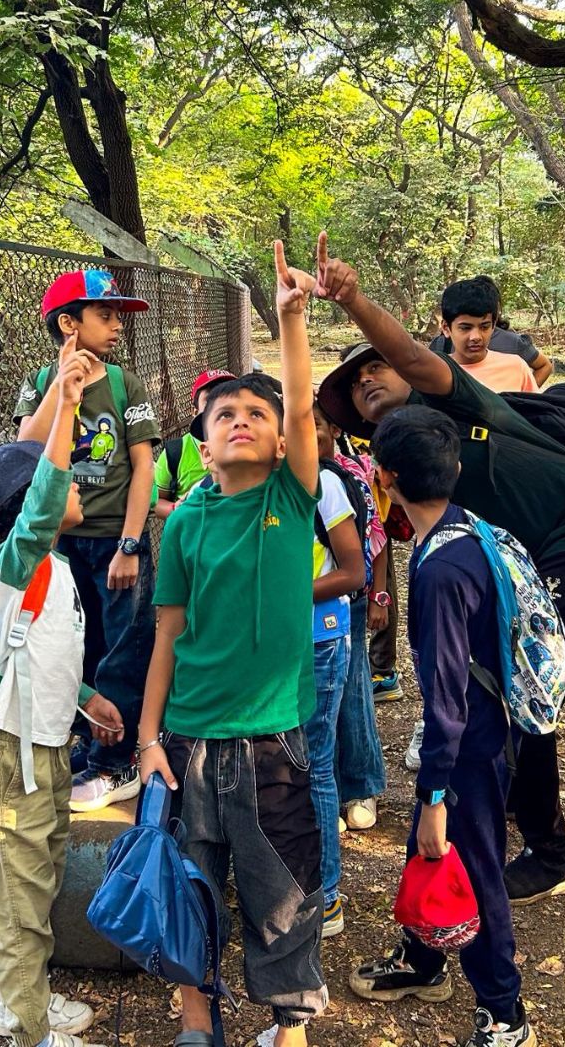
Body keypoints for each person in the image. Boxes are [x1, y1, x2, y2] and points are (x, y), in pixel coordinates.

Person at [313, 234, 565, 905]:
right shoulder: (401, 465)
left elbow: (408, 355)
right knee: (502, 672)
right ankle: (514, 797)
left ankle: (553, 855)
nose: (368, 382)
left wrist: (353, 299)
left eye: (375, 371)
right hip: (535, 552)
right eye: (357, 391)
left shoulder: (453, 400)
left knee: (528, 683)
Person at [137, 241, 327, 1047]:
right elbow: (167, 633)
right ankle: (195, 1019)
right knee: (192, 887)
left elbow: (303, 409)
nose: (241, 420)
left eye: (257, 414)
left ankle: (291, 1026)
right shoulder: (184, 523)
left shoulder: (293, 495)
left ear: (279, 442)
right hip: (189, 739)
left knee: (284, 889)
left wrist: (291, 320)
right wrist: (149, 738)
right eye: (224, 416)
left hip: (272, 742)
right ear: (203, 448)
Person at [350, 406, 536, 1047]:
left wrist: (433, 794)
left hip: (470, 752)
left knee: (475, 871)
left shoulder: (439, 572)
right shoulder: (464, 529)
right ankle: (422, 960)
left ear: (385, 477)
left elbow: (446, 700)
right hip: (486, 730)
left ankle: (504, 1012)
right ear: (454, 469)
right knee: (426, 851)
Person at [0, 334, 125, 1047]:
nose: (74, 487)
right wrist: (65, 401)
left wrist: (87, 696)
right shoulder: (16, 560)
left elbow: (33, 649)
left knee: (39, 879)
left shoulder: (51, 567)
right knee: (19, 901)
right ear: (32, 503)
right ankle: (25, 1028)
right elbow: (44, 498)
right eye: (58, 482)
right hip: (13, 758)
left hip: (48, 744)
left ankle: (28, 1001)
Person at [14, 270, 160, 812]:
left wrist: (130, 544)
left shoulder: (125, 384)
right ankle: (88, 744)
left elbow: (143, 468)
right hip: (61, 543)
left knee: (124, 647)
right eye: (105, 315)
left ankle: (118, 760)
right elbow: (26, 449)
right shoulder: (39, 382)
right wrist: (61, 387)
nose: (117, 325)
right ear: (68, 324)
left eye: (118, 316)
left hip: (115, 541)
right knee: (75, 645)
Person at [314, 407, 388, 833]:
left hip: (348, 600)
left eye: (315, 425)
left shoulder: (349, 475)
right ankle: (328, 790)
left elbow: (376, 540)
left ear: (333, 429)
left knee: (354, 690)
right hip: (306, 610)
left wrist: (379, 596)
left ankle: (361, 786)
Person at [308, 427, 366, 937]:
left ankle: (326, 895)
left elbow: (354, 572)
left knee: (315, 761)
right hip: (263, 643)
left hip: (319, 637)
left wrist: (282, 594)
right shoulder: (230, 488)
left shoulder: (323, 484)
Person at [429, 277, 553, 388]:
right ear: (446, 328)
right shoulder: (433, 375)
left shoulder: (516, 367)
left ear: (493, 325)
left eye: (484, 327)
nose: (476, 337)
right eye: (465, 328)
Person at [153, 369, 237, 519]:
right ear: (195, 411)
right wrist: (177, 509)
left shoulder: (249, 443)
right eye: (210, 399)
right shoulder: (176, 452)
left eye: (230, 396)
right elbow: (156, 501)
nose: (220, 404)